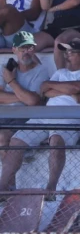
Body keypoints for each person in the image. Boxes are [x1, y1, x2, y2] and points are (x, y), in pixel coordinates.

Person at [0, 38, 80, 194]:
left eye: (71, 52)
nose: (66, 55)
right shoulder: (60, 72)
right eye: (66, 52)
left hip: (71, 119)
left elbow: (76, 86)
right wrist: (73, 94)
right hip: (45, 115)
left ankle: (51, 189)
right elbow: (43, 90)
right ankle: (2, 186)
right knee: (16, 141)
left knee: (56, 139)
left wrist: (68, 89)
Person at [0, 31, 50, 188]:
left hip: (26, 117)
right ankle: (8, 187)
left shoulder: (41, 71)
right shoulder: (5, 68)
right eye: (22, 48)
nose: (26, 52)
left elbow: (34, 101)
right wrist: (22, 96)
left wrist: (11, 81)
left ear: (34, 49)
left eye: (29, 48)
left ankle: (7, 188)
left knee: (2, 137)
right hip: (5, 115)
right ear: (14, 50)